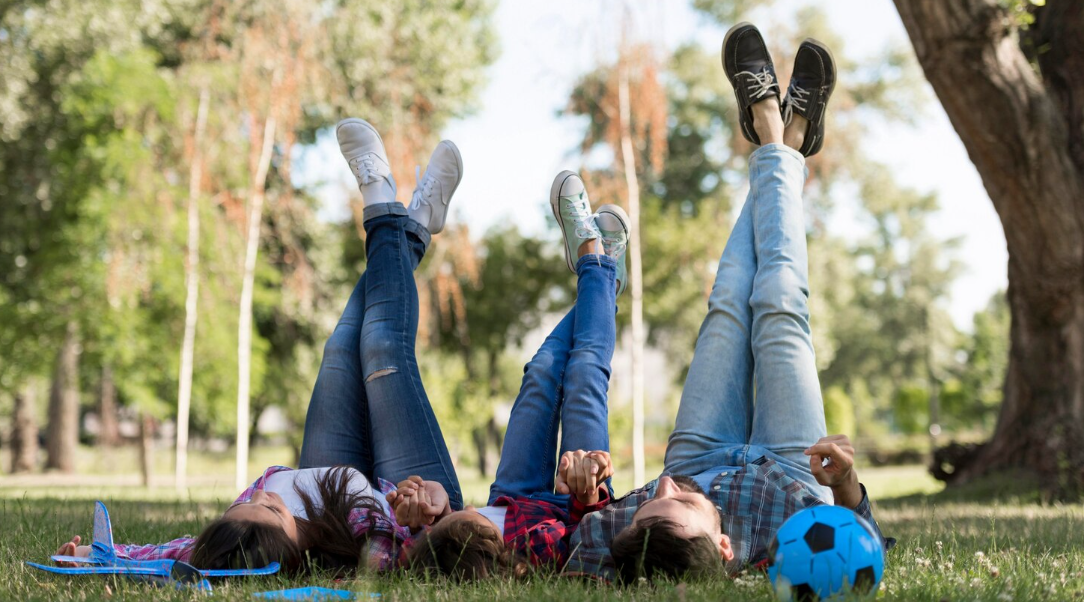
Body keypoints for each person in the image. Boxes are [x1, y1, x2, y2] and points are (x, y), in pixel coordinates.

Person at [54, 118, 467, 574]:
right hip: (420, 501)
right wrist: (425, 506)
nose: (262, 495)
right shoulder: (365, 544)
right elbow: (420, 551)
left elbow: (163, 555)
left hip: (331, 481)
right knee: (381, 347)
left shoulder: (232, 544)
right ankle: (385, 205)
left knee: (339, 348)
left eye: (241, 504)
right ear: (294, 552)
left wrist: (95, 558)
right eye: (270, 510)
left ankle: (408, 227)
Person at [565, 23, 894, 583]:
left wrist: (582, 489)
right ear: (724, 546)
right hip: (795, 462)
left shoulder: (624, 540)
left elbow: (578, 549)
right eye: (681, 504)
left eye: (648, 502)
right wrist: (843, 484)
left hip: (698, 451)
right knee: (780, 301)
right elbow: (864, 546)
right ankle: (778, 135)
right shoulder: (787, 534)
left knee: (728, 299)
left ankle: (780, 139)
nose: (663, 487)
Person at [387, 171, 631, 581]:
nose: (464, 512)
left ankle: (604, 275)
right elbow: (587, 537)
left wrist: (432, 504)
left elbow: (416, 536)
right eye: (464, 517)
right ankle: (595, 259)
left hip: (512, 491)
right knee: (585, 372)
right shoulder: (534, 554)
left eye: (456, 517)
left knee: (540, 371)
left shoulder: (428, 551)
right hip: (577, 485)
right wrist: (588, 492)